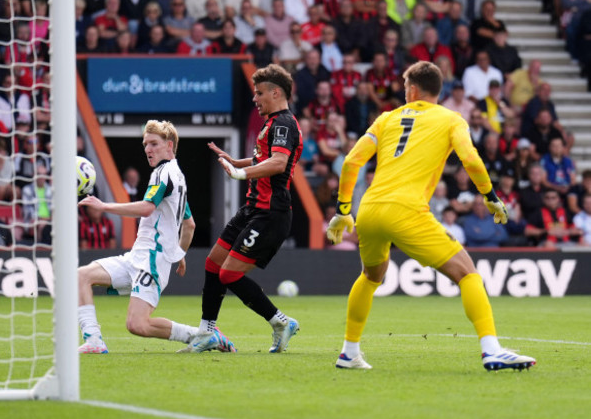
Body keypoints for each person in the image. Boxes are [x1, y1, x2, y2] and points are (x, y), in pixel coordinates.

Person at [326, 61, 535, 370]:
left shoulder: (386, 118)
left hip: (369, 210)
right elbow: (471, 159)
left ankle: (349, 352)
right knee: (467, 273)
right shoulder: (452, 119)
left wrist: (344, 211)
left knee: (370, 277)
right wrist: (490, 196)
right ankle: (491, 349)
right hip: (407, 210)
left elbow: (351, 162)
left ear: (412, 90)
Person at [76, 120, 233, 354]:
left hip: (151, 261)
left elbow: (148, 208)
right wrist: (178, 253)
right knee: (81, 276)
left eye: (153, 143)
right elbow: (189, 225)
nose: (148, 149)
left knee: (137, 325)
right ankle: (94, 341)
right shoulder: (177, 177)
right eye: (145, 144)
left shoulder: (164, 173)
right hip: (138, 257)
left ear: (169, 145)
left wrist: (103, 206)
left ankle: (203, 335)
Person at [181, 64, 301, 354]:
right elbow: (264, 157)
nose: (255, 99)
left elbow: (278, 163)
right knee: (213, 264)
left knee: (228, 275)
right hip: (252, 209)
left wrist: (240, 175)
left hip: (271, 214)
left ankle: (281, 322)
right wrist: (238, 162)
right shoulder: (273, 123)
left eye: (259, 93)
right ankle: (207, 331)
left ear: (276, 92)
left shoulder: (284, 122)